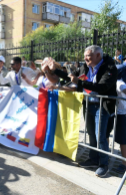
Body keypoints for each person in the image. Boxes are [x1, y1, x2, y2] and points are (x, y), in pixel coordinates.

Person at [49, 45, 117, 177]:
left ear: (98, 55)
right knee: (91, 134)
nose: (85, 58)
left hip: (102, 107)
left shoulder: (110, 67)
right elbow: (71, 77)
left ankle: (104, 165)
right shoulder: (85, 67)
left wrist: (80, 83)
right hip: (89, 105)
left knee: (100, 137)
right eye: (85, 55)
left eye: (88, 56)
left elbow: (102, 87)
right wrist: (55, 71)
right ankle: (93, 160)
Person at [105, 65, 126, 174]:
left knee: (123, 140)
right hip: (119, 113)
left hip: (122, 113)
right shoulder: (118, 82)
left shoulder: (119, 82)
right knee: (122, 139)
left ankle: (124, 163)